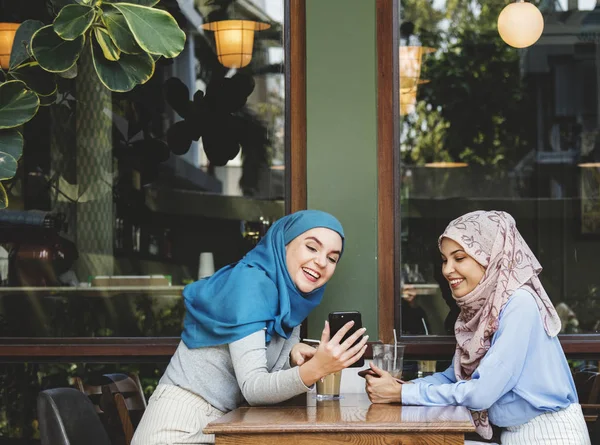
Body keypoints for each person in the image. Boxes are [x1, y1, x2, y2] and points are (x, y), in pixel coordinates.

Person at [132, 210, 368, 445]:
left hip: (222, 426)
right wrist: (316, 368)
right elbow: (253, 389)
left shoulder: (291, 301)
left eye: (332, 258)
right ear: (283, 243)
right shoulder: (251, 284)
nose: (321, 262)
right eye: (312, 247)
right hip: (179, 427)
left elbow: (266, 384)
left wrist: (292, 360)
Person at [364, 210, 590, 445]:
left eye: (459, 258)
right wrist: (398, 386)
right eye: (444, 259)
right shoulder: (483, 311)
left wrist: (401, 394)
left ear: (491, 257)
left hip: (551, 436)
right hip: (516, 435)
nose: (447, 269)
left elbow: (482, 393)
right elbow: (453, 378)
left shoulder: (519, 303)